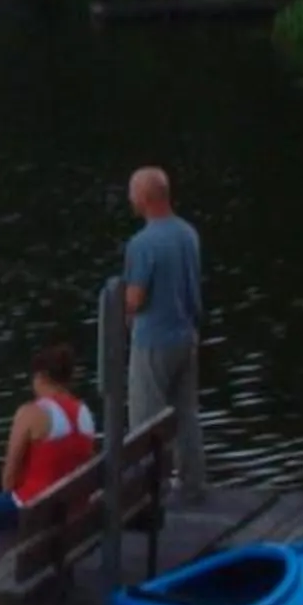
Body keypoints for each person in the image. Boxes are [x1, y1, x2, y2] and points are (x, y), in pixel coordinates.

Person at [0, 343, 100, 558]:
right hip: (72, 508)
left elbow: (9, 479)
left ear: (40, 377)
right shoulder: (84, 413)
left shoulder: (31, 413)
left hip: (33, 508)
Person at [123, 165, 207, 495]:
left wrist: (119, 308)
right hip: (186, 335)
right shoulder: (188, 233)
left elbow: (136, 298)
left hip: (153, 341)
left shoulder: (142, 243)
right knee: (186, 414)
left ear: (144, 197)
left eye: (132, 193)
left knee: (146, 420)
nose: (130, 199)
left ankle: (149, 491)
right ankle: (192, 482)